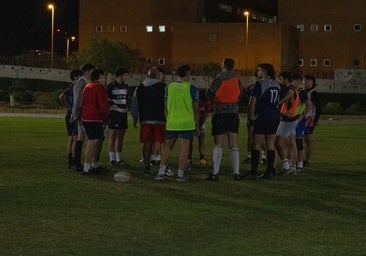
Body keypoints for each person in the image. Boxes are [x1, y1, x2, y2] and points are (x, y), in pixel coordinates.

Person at [154, 65, 199, 182]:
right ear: (188, 74)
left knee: (167, 148)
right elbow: (196, 110)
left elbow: (164, 107)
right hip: (187, 123)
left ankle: (160, 173)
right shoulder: (192, 88)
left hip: (172, 122)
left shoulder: (169, 87)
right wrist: (197, 126)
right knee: (184, 149)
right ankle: (180, 175)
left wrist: (168, 119)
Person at [206, 58, 243, 181]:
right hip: (233, 114)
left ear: (223, 65)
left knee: (218, 144)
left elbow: (209, 94)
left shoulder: (219, 79)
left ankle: (215, 173)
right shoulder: (237, 80)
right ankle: (236, 172)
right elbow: (240, 95)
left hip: (220, 113)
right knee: (233, 144)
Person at [246, 63, 280, 179]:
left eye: (259, 70)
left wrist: (251, 116)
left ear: (265, 72)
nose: (258, 72)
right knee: (270, 144)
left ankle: (253, 172)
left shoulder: (260, 84)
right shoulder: (277, 84)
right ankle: (269, 172)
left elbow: (252, 101)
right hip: (274, 116)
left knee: (256, 144)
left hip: (263, 116)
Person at [131, 67, 168, 175]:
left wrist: (135, 118)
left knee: (147, 143)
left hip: (145, 119)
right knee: (162, 143)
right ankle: (163, 167)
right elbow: (167, 103)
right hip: (160, 119)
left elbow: (134, 104)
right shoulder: (163, 87)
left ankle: (147, 167)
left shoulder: (140, 88)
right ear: (157, 75)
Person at [80, 69, 109, 174]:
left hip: (86, 116)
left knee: (94, 141)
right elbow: (103, 106)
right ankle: (87, 168)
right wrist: (105, 118)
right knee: (92, 142)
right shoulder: (99, 87)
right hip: (95, 118)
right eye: (103, 76)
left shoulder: (87, 86)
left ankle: (92, 165)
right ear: (99, 76)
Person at [70, 63, 95, 171]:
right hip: (81, 112)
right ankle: (77, 163)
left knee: (82, 137)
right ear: (87, 71)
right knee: (80, 137)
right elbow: (77, 100)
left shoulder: (87, 82)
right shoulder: (81, 83)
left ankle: (77, 162)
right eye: (92, 71)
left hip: (85, 112)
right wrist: (74, 114)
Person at [276, 72, 302, 175]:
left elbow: (287, 99)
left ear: (286, 80)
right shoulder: (294, 90)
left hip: (288, 120)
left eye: (281, 79)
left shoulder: (290, 90)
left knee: (278, 143)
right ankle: (293, 167)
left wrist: (277, 104)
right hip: (293, 119)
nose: (280, 82)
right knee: (292, 144)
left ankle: (286, 166)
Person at [59, 69, 83, 169]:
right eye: (80, 77)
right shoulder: (73, 87)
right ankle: (73, 160)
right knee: (75, 137)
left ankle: (70, 162)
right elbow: (61, 96)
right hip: (72, 115)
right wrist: (70, 108)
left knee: (71, 138)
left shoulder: (71, 87)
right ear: (75, 77)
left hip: (69, 115)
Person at [107, 68, 130, 166]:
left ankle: (118, 159)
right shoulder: (111, 86)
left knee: (121, 137)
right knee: (113, 136)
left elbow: (127, 99)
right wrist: (111, 105)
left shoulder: (126, 86)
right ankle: (112, 159)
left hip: (123, 114)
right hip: (115, 114)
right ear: (120, 76)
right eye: (125, 75)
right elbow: (106, 97)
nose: (126, 77)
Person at [292, 74, 310, 172]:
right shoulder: (295, 92)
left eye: (293, 81)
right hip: (294, 119)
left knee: (298, 142)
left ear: (297, 82)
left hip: (299, 120)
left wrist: (302, 117)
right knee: (292, 142)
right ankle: (293, 164)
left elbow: (308, 106)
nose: (291, 83)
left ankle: (300, 164)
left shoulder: (302, 92)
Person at [303, 74, 322, 166]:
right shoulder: (302, 92)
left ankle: (307, 160)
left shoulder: (313, 93)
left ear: (312, 82)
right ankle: (299, 159)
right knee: (297, 140)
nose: (305, 82)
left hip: (310, 119)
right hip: (301, 118)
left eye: (307, 81)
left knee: (308, 140)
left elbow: (319, 107)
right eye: (304, 80)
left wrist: (316, 120)